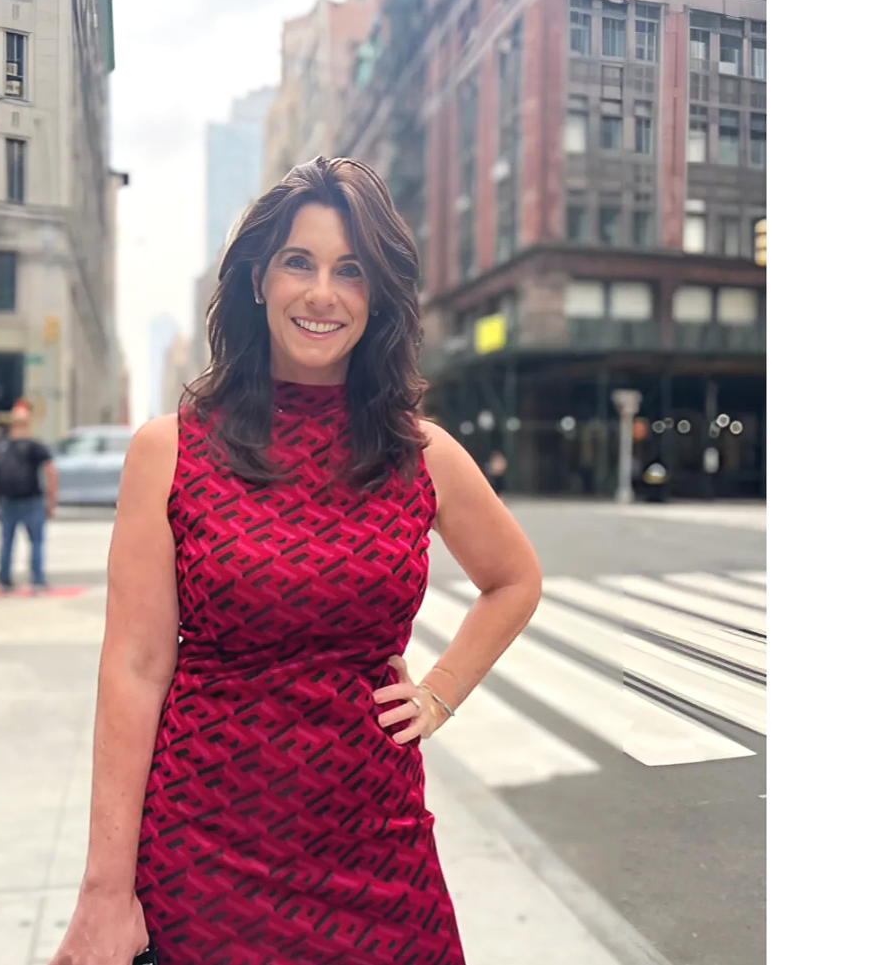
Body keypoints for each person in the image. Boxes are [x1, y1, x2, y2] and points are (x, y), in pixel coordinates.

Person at [51, 156, 542, 965]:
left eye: (350, 270)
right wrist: (106, 890)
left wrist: (440, 695)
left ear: (377, 294)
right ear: (255, 279)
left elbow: (514, 579)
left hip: (376, 845)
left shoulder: (421, 455)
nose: (323, 293)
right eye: (298, 262)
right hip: (204, 853)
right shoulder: (169, 450)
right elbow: (134, 669)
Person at [0, 399, 58, 593]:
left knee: (7, 542)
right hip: (32, 499)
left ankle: (4, 580)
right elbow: (51, 472)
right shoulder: (35, 446)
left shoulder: (0, 446)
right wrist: (51, 501)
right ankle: (37, 580)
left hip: (8, 500)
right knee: (36, 542)